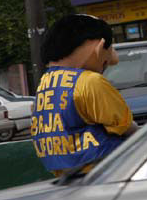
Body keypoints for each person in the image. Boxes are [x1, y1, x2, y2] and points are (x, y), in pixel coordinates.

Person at [30, 14, 138, 176]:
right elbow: (127, 128)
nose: (112, 61)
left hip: (69, 178)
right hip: (108, 171)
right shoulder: (89, 81)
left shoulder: (45, 84)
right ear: (100, 47)